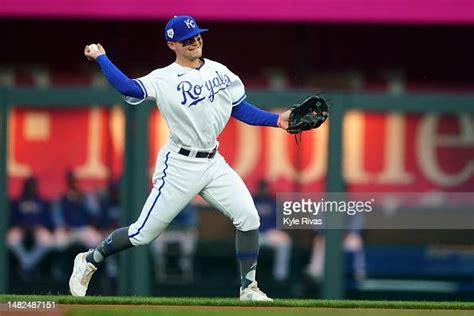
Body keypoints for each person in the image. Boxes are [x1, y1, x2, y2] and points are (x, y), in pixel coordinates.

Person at [69, 15, 299, 301]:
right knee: (142, 234)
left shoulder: (220, 71)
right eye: (187, 39)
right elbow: (129, 88)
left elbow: (239, 108)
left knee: (249, 217)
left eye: (197, 36)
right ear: (172, 44)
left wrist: (277, 120)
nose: (195, 42)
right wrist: (102, 58)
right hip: (179, 165)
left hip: (213, 162)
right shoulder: (162, 78)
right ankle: (90, 259)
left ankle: (248, 288)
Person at [7, 176, 55, 274]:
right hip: (20, 228)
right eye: (29, 185)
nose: (30, 188)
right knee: (11, 240)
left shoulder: (42, 201)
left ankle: (26, 264)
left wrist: (37, 225)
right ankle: (29, 264)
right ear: (25, 186)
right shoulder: (17, 201)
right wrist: (22, 226)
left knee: (48, 241)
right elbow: (12, 219)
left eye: (32, 186)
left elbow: (47, 220)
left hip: (38, 228)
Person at [253, 179, 292, 282]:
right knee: (243, 244)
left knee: (284, 242)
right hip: (255, 234)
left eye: (264, 188)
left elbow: (278, 221)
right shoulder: (252, 201)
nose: (263, 190)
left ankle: (280, 276)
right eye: (261, 188)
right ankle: (245, 277)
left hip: (270, 234)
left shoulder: (272, 202)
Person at [52, 171, 102, 250]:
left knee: (97, 241)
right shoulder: (62, 199)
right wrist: (62, 225)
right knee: (59, 243)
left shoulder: (85, 196)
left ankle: (94, 261)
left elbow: (95, 212)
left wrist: (83, 200)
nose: (73, 183)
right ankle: (60, 261)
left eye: (74, 181)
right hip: (69, 230)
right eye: (71, 181)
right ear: (68, 183)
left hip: (83, 228)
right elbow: (57, 217)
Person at [151, 202, 198, 283]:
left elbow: (191, 223)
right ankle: (160, 269)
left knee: (192, 234)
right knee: (156, 238)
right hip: (165, 233)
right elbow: (157, 223)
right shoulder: (163, 204)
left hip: (182, 234)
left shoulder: (187, 205)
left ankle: (185, 268)